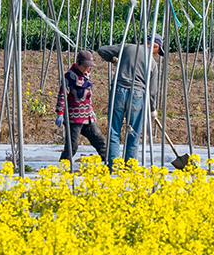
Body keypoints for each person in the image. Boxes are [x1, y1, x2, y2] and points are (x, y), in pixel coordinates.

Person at [96, 34, 164, 167]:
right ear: (155, 45)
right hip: (137, 95)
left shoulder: (128, 48)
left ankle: (114, 166)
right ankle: (130, 167)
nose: (156, 54)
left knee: (114, 130)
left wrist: (114, 60)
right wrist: (153, 109)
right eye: (158, 51)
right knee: (133, 132)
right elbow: (152, 91)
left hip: (119, 91)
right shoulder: (152, 63)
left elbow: (102, 50)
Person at [55, 50, 108, 164]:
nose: (86, 69)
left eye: (88, 66)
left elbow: (88, 96)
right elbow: (62, 95)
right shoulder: (69, 77)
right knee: (72, 146)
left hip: (87, 116)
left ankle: (109, 164)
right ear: (78, 62)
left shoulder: (86, 76)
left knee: (100, 141)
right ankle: (63, 168)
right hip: (73, 118)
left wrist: (92, 110)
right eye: (84, 66)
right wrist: (60, 113)